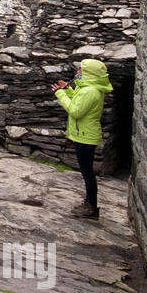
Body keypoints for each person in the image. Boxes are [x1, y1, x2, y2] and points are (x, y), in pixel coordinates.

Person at [52, 58, 113, 219]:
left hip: (85, 137)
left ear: (89, 74)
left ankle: (91, 206)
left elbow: (75, 110)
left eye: (81, 71)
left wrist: (59, 93)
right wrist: (67, 89)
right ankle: (89, 202)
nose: (78, 72)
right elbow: (79, 101)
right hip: (85, 135)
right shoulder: (90, 88)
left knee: (87, 172)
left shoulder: (90, 91)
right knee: (87, 171)